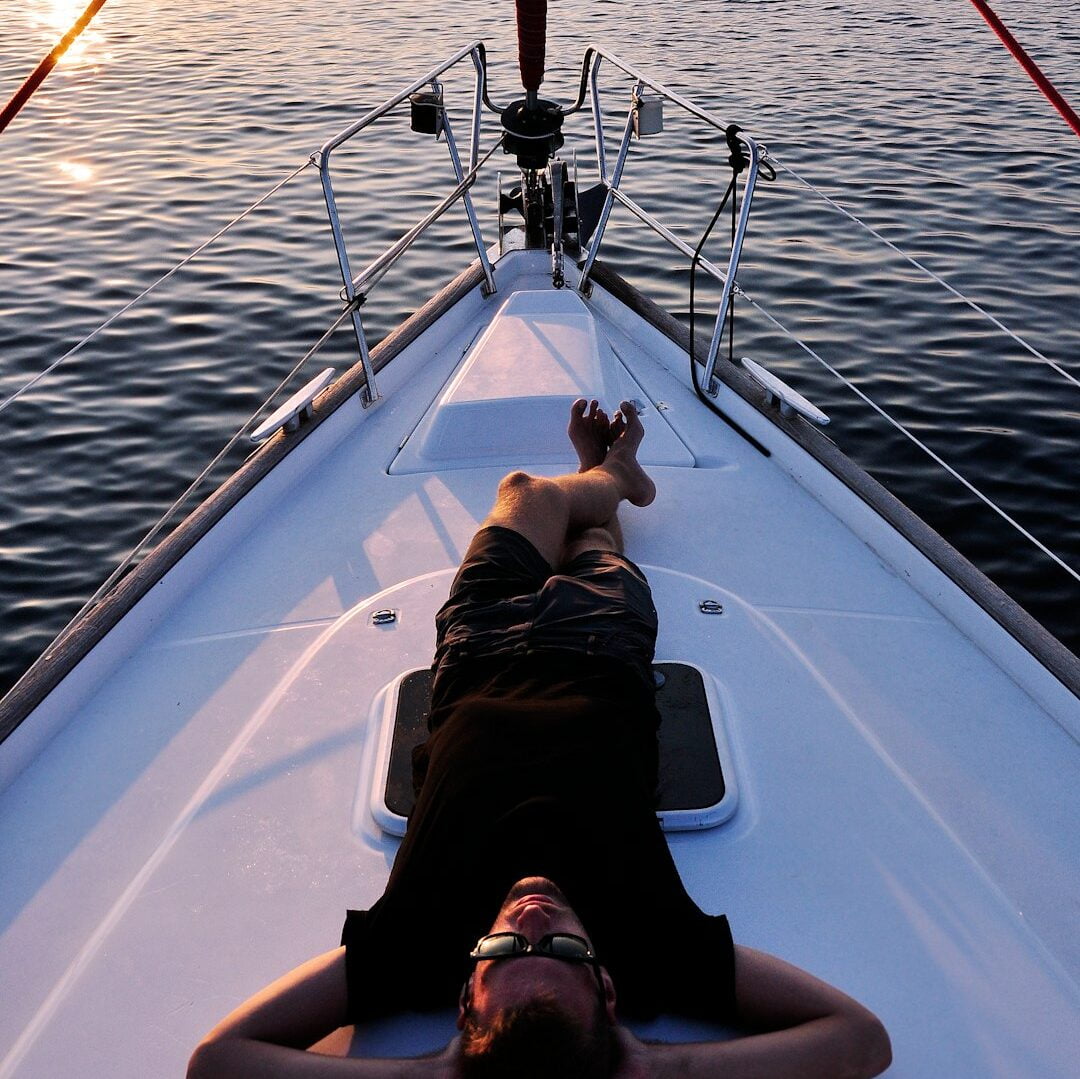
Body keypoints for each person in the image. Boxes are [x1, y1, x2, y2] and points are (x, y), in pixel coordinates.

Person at [188, 400, 892, 1079]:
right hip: (600, 645)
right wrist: (653, 1063)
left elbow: (218, 1060)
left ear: (466, 997)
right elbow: (860, 1040)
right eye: (562, 946)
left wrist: (425, 1075)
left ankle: (609, 477)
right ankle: (611, 479)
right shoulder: (654, 948)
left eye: (498, 947)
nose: (530, 914)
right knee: (592, 544)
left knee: (523, 492)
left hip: (478, 650)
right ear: (609, 989)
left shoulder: (411, 948)